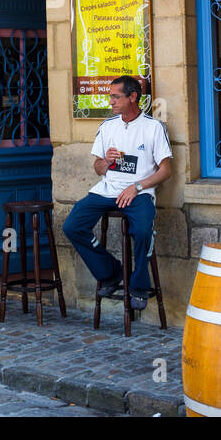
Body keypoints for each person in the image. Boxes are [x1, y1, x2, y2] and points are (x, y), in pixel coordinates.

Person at [63, 75, 172, 311]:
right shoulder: (107, 126)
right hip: (107, 189)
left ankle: (139, 286)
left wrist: (138, 186)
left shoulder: (154, 128)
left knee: (142, 231)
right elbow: (97, 168)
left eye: (115, 96)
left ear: (133, 97)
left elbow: (166, 170)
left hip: (139, 192)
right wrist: (107, 162)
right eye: (110, 96)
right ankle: (110, 272)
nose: (110, 101)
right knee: (72, 226)